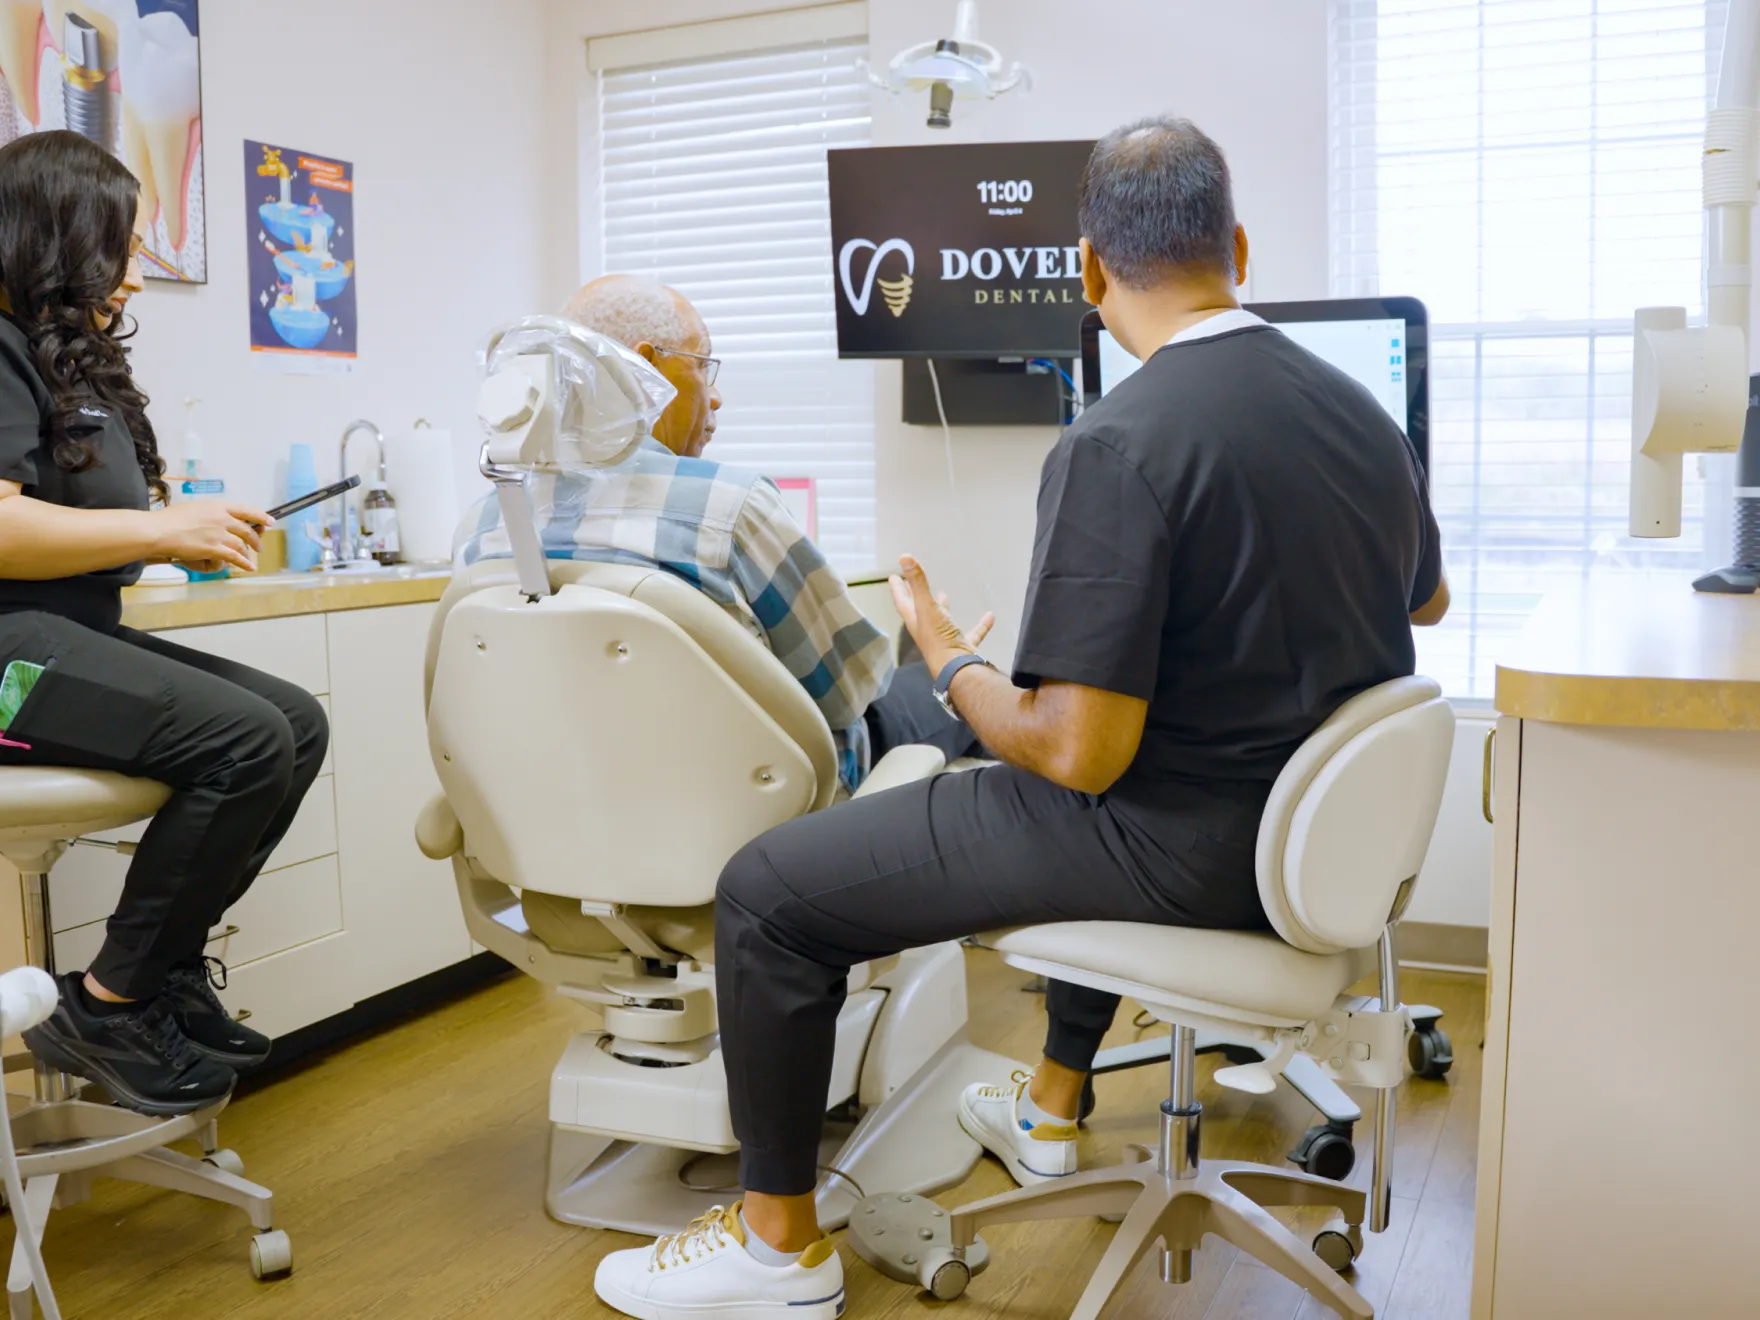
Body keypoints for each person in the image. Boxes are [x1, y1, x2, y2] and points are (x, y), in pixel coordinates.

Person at [591, 117, 1449, 1319]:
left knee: (768, 897)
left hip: (1175, 844)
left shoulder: (1119, 441)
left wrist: (945, 659)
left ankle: (778, 1250)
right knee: (1068, 795)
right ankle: (1049, 1102)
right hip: (1300, 845)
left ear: (1089, 273)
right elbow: (1427, 596)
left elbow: (1070, 749)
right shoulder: (1359, 415)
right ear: (1238, 249)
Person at [0, 132, 329, 1117]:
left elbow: (85, 530)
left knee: (293, 721)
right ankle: (109, 1002)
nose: (136, 277)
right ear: (60, 238)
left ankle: (164, 972)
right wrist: (155, 524)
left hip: (61, 639)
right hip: (4, 672)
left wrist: (173, 537)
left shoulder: (68, 365)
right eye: (122, 248)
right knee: (239, 737)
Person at [458, 273, 986, 791]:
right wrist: (952, 666)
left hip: (576, 806)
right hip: (763, 810)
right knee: (955, 683)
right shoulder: (726, 509)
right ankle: (949, 660)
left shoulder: (485, 527)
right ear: (648, 369)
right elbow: (851, 691)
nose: (715, 399)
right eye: (704, 369)